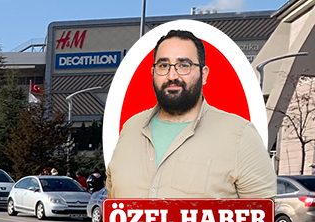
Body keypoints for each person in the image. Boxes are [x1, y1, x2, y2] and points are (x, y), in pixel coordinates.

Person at [107, 29, 275, 199]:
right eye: (163, 65)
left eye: (183, 65)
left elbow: (261, 219)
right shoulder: (129, 128)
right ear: (153, 73)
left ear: (204, 74)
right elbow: (113, 204)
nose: (172, 76)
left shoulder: (240, 134)